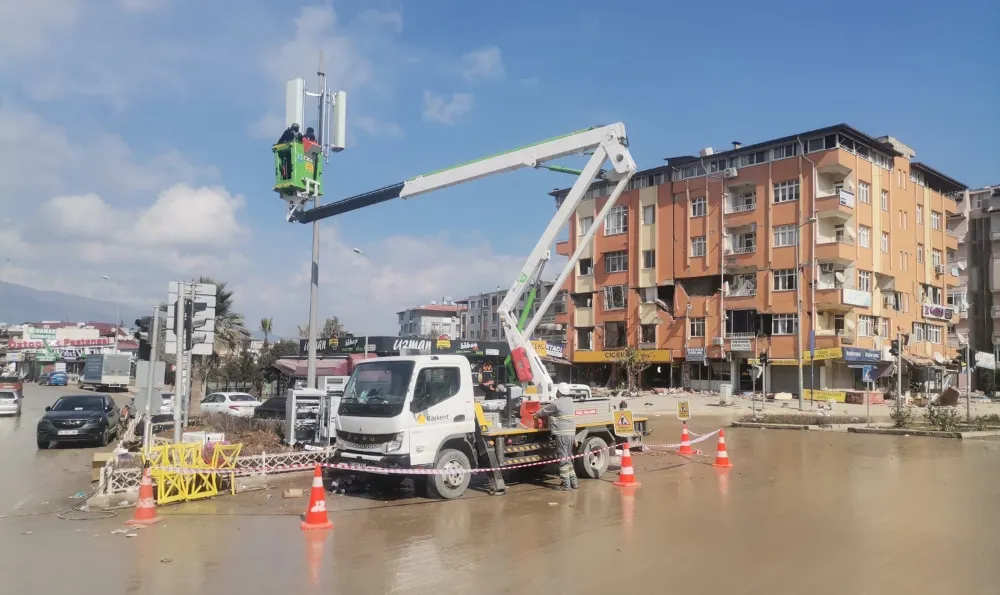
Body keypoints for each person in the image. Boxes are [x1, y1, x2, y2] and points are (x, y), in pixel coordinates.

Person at [534, 383, 578, 491]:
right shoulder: (571, 402)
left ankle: (566, 485)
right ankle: (574, 482)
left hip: (562, 435)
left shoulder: (557, 403)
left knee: (563, 459)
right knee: (568, 459)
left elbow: (544, 411)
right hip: (571, 434)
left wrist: (535, 414)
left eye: (557, 391)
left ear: (559, 392)